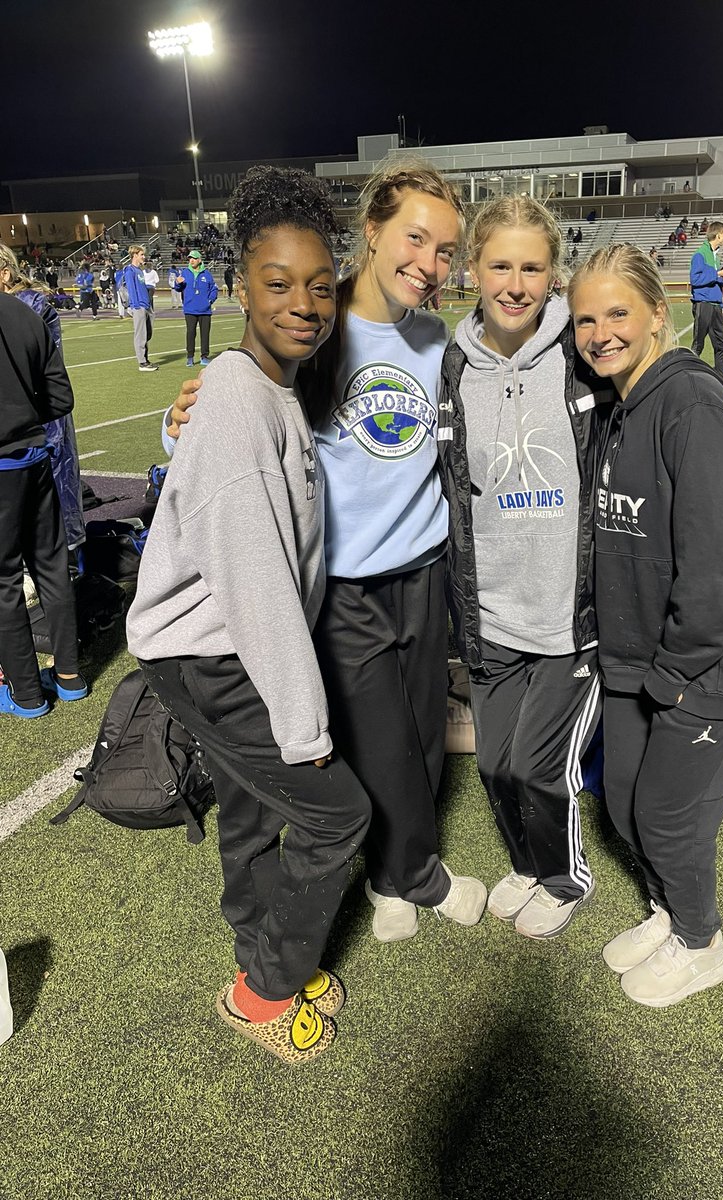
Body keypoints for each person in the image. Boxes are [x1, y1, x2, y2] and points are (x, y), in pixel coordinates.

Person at [167, 160, 487, 944]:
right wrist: (174, 425)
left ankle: (399, 868)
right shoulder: (313, 319)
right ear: (371, 232)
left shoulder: (434, 336)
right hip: (342, 584)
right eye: (416, 238)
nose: (430, 262)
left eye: (447, 250)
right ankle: (405, 877)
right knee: (372, 741)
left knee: (420, 732)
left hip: (424, 567)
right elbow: (228, 422)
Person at [128, 166, 371, 1065]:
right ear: (240, 287)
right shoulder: (238, 396)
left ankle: (251, 938)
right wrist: (305, 726)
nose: (303, 304)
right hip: (210, 653)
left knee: (246, 803)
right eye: (278, 284)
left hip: (208, 647)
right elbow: (253, 575)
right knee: (335, 814)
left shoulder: (262, 383)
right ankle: (265, 990)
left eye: (318, 286)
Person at [568, 244, 723, 1007]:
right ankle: (667, 911)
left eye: (618, 312)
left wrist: (676, 673)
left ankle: (702, 941)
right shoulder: (616, 404)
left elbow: (721, 569)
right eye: (585, 318)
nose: (600, 332)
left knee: (665, 818)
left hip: (706, 669)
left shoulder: (688, 404)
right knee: (624, 802)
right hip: (635, 661)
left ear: (659, 313)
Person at [437, 197, 602, 938]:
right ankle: (529, 863)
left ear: (552, 273)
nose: (514, 282)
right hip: (492, 613)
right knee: (495, 765)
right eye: (499, 264)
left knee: (540, 768)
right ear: (473, 268)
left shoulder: (582, 352)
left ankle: (565, 879)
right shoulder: (450, 365)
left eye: (532, 266)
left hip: (567, 615)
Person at [0, 292, 88, 720]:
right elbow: (61, 397)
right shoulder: (22, 312)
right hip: (35, 460)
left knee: (3, 582)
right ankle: (70, 677)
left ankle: (28, 694)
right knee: (52, 567)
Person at [0, 244, 84, 553]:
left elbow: (49, 380)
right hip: (24, 425)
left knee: (47, 530)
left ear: (5, 274)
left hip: (35, 425)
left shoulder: (31, 308)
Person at [690, 221, 723, 394]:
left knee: (721, 345)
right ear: (718, 235)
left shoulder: (715, 255)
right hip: (703, 304)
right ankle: (688, 382)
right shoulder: (700, 254)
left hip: (716, 305)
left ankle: (720, 383)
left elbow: (710, 279)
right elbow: (695, 280)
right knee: (698, 345)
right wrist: (718, 273)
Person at [176, 250, 218, 366]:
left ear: (200, 260)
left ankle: (204, 356)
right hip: (190, 309)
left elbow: (214, 289)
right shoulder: (185, 273)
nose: (191, 260)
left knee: (205, 334)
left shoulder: (207, 274)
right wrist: (178, 283)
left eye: (194, 258)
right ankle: (190, 357)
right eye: (190, 258)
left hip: (205, 310)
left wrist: (209, 301)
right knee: (190, 333)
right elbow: (178, 288)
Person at [123, 246, 157, 371]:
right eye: (141, 254)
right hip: (139, 306)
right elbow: (131, 289)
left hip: (146, 305)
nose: (143, 257)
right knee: (140, 334)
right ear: (135, 255)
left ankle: (145, 359)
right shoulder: (129, 270)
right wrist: (135, 306)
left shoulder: (139, 271)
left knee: (147, 334)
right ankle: (142, 362)